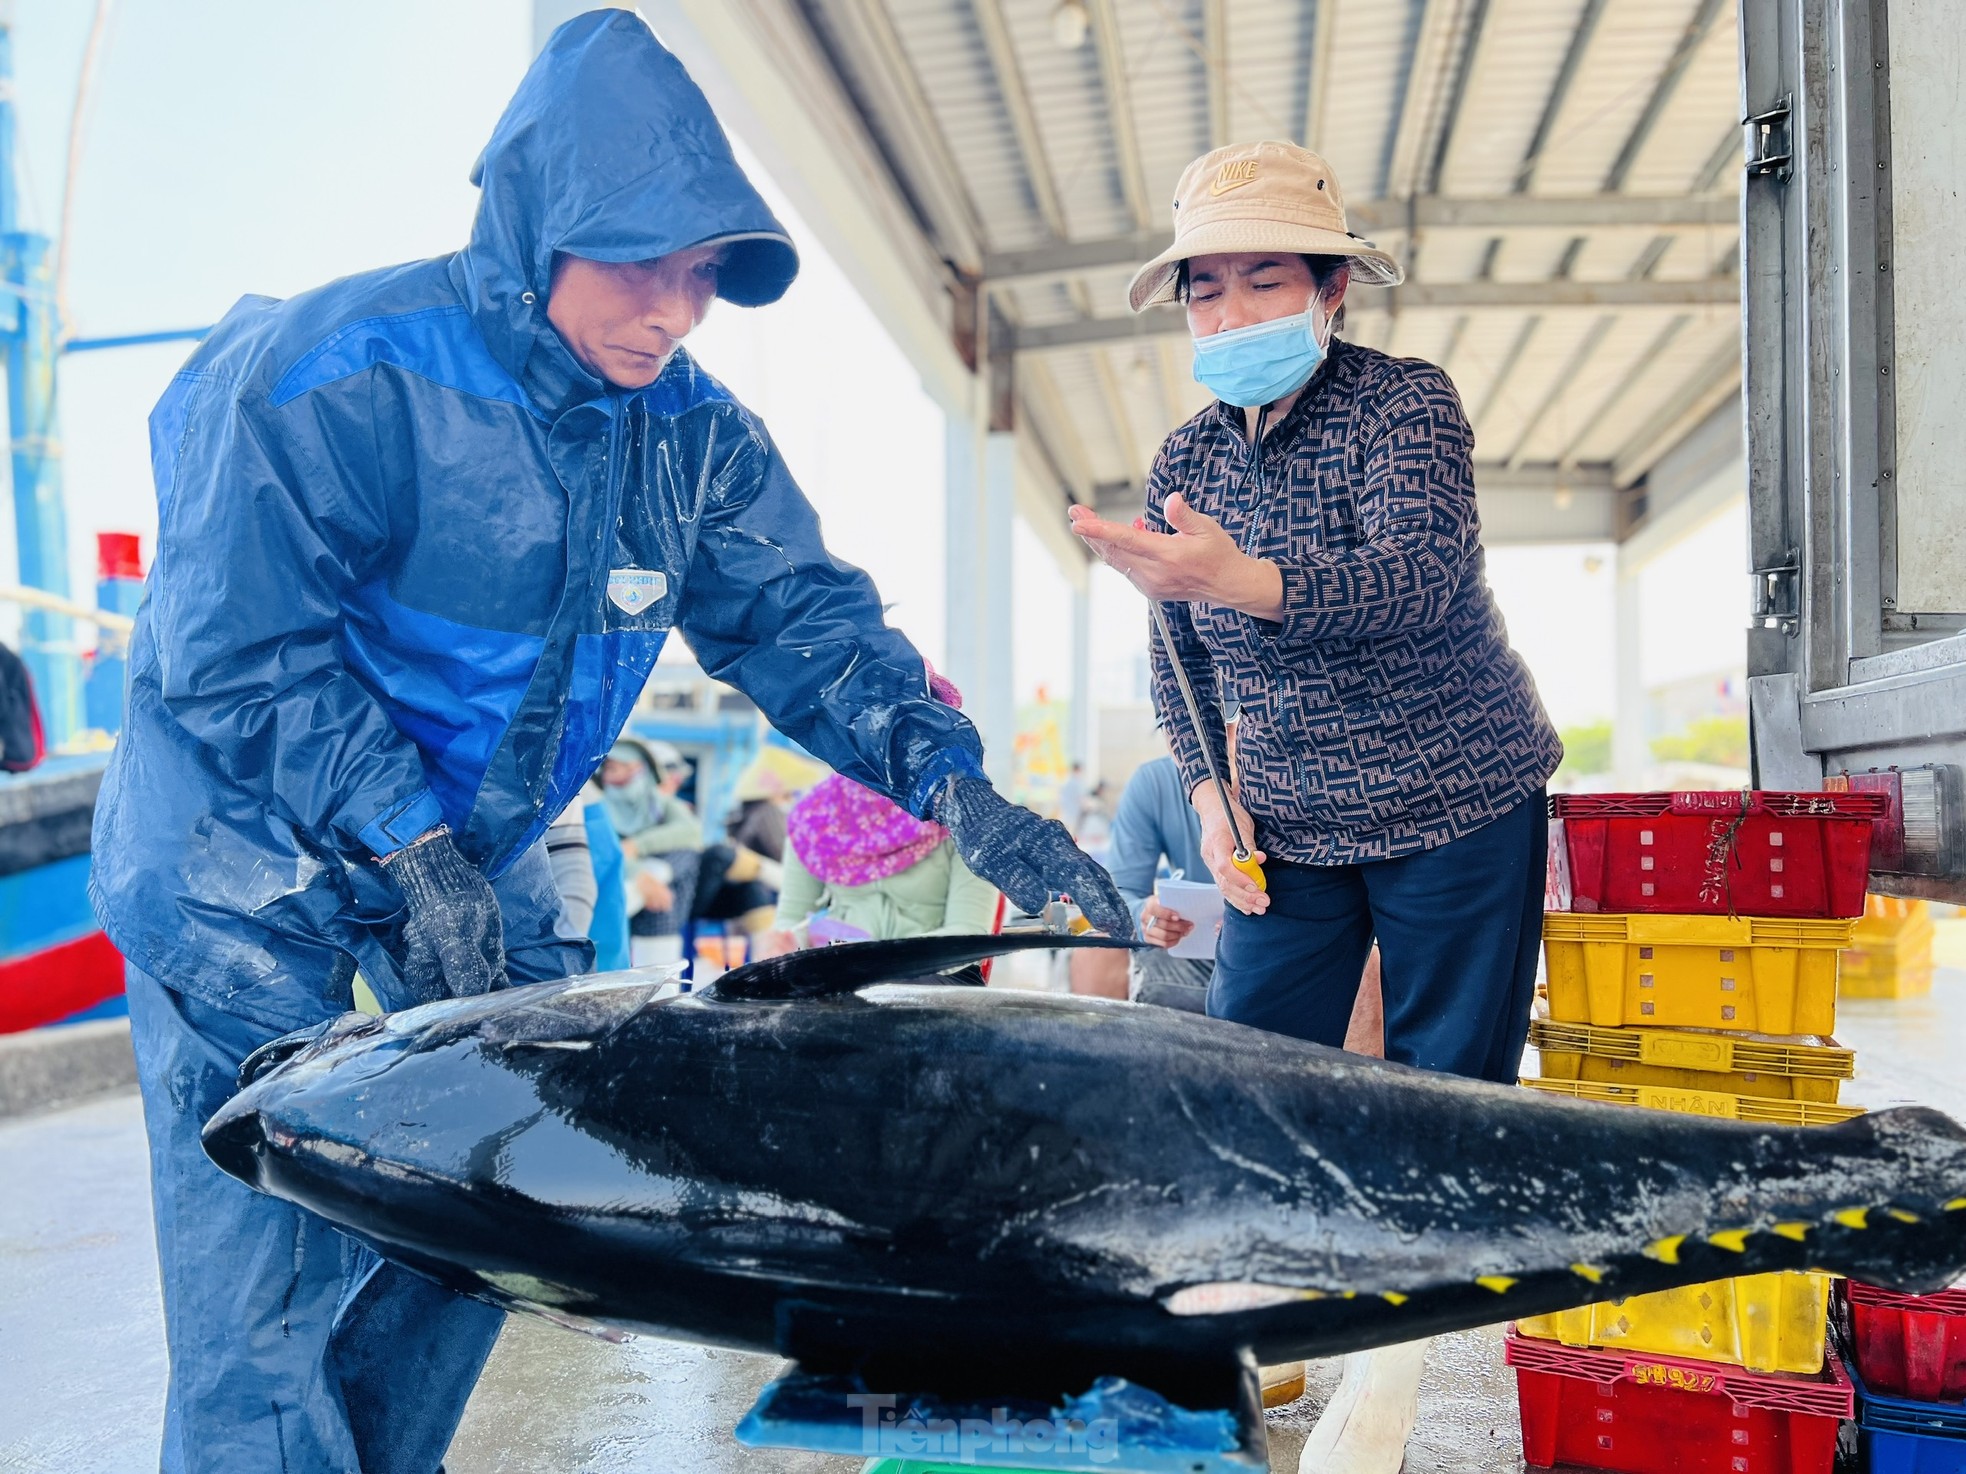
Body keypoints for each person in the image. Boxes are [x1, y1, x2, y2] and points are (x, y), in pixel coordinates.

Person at [89, 15, 1128, 1472]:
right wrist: (402, 834)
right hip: (239, 850)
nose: (672, 310)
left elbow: (805, 622)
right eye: (640, 262)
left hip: (470, 848)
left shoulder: (692, 438)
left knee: (494, 1201)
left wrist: (959, 784)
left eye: (701, 276)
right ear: (533, 226)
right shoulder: (328, 371)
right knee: (264, 1269)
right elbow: (229, 652)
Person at [1069, 140, 1561, 1474]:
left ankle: (1384, 1403)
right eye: (1204, 289)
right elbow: (1175, 664)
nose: (1227, 315)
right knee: (1245, 1081)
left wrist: (1248, 577)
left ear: (1330, 287)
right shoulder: (1187, 452)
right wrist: (1214, 801)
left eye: (1260, 280)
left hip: (1456, 794)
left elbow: (1417, 579)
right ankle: (1237, 1338)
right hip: (1283, 824)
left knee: (1440, 1106)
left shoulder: (1404, 405)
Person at [769, 668, 1000, 951]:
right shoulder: (814, 818)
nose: (882, 738)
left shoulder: (965, 813)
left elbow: (969, 936)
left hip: (935, 978)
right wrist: (788, 942)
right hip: (837, 976)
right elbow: (790, 924)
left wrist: (872, 959)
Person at [601, 738, 703, 964]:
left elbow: (691, 832)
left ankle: (659, 992)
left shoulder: (657, 804)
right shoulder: (597, 806)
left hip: (653, 899)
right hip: (611, 892)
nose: (613, 775)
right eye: (610, 768)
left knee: (686, 855)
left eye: (628, 767)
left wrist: (637, 845)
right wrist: (639, 875)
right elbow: (600, 852)